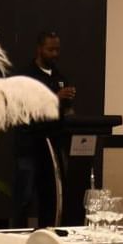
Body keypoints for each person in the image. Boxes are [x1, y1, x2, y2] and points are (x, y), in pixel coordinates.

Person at [12, 32, 75, 227]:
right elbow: (25, 110)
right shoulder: (26, 77)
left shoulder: (60, 77)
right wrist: (55, 97)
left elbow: (65, 111)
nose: (55, 54)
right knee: (25, 198)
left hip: (53, 148)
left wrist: (69, 109)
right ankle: (17, 238)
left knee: (50, 197)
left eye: (57, 49)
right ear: (39, 49)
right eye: (50, 49)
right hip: (30, 147)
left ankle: (47, 237)